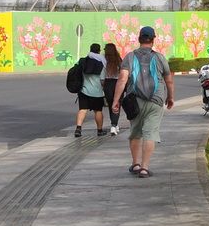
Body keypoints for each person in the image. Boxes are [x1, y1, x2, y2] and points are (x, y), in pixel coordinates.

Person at [110, 25, 174, 178]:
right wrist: (170, 97)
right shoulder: (160, 57)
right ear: (153, 40)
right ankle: (145, 168)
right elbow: (168, 80)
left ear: (139, 39)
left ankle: (135, 163)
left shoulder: (130, 57)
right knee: (150, 133)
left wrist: (116, 100)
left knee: (135, 132)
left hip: (135, 101)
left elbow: (122, 79)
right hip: (156, 100)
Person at [74, 43, 106, 138]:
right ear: (99, 51)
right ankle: (99, 131)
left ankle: (78, 129)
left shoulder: (83, 61)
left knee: (82, 110)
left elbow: (77, 72)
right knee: (98, 111)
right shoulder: (101, 64)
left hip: (83, 91)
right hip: (97, 93)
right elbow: (103, 80)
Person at [101, 43, 123, 136]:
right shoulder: (119, 60)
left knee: (111, 105)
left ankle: (114, 124)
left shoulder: (104, 60)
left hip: (108, 84)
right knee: (117, 103)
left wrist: (103, 87)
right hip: (118, 83)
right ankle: (114, 125)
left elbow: (102, 77)